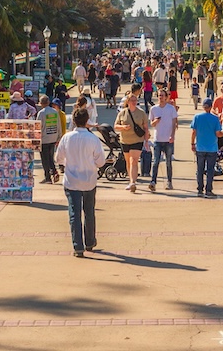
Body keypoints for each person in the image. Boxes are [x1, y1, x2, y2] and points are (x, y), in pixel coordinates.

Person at [55, 107, 108, 258]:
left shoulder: (67, 138)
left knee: (74, 212)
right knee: (89, 211)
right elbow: (100, 161)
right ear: (87, 121)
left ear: (74, 121)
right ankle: (90, 241)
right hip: (89, 179)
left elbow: (58, 158)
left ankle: (77, 246)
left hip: (72, 180)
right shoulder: (93, 139)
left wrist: (67, 162)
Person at [114, 93, 149, 192]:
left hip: (137, 140)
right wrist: (123, 127)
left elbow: (146, 128)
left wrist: (146, 141)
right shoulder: (122, 113)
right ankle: (130, 181)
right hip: (125, 140)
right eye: (132, 100)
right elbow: (116, 126)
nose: (134, 102)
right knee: (128, 161)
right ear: (128, 102)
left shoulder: (141, 113)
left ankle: (133, 182)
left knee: (133, 160)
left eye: (135, 100)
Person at [190, 97, 223, 197]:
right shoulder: (215, 118)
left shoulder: (197, 117)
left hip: (200, 147)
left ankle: (200, 189)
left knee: (199, 169)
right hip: (212, 148)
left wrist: (192, 143)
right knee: (210, 170)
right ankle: (208, 190)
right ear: (211, 106)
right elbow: (218, 133)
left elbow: (193, 132)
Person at [148, 89, 178, 192]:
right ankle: (153, 182)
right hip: (157, 139)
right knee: (156, 161)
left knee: (168, 162)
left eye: (162, 95)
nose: (161, 97)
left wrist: (172, 136)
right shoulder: (153, 109)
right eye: (159, 95)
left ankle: (169, 182)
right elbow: (151, 124)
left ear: (166, 97)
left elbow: (174, 123)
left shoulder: (171, 109)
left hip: (168, 139)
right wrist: (156, 121)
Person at [36, 96, 62, 184]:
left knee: (44, 159)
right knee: (50, 157)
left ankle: (47, 177)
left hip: (44, 139)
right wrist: (59, 136)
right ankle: (54, 172)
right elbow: (59, 124)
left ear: (41, 103)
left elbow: (38, 127)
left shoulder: (41, 113)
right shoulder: (54, 112)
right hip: (53, 137)